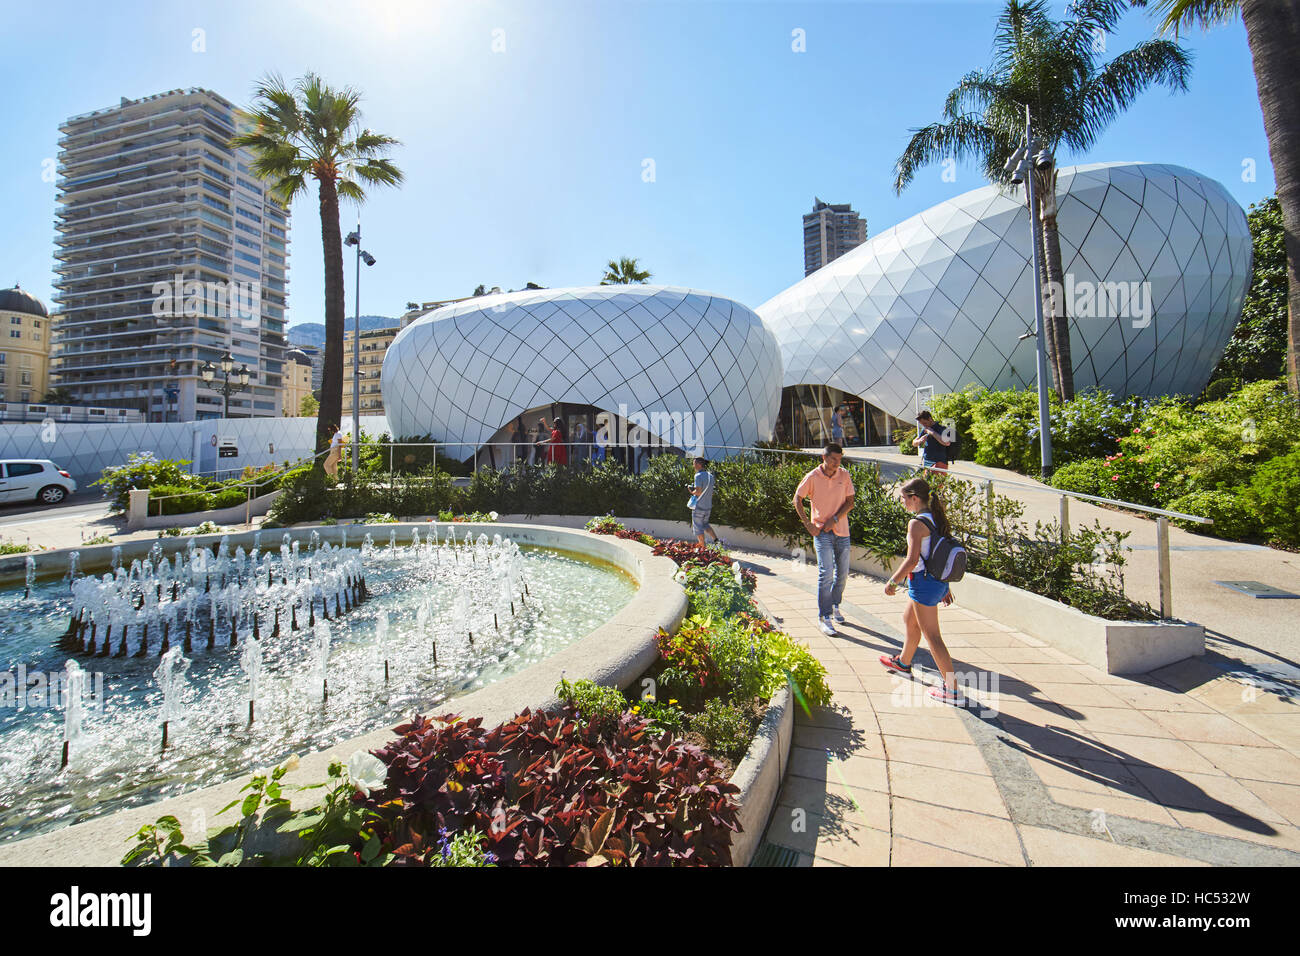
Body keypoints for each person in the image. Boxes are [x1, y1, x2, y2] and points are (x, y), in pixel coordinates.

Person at [879, 476, 961, 704]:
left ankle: (952, 690)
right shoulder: (936, 518)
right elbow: (940, 553)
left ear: (914, 498)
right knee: (910, 620)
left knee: (933, 636)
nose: (903, 502)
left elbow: (912, 559)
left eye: (904, 498)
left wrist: (893, 581)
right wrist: (944, 585)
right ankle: (903, 664)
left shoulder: (916, 524)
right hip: (935, 582)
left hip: (923, 583)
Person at [793, 442, 855, 636]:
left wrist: (835, 518)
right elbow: (797, 499)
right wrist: (807, 524)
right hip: (821, 533)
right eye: (833, 459)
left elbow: (850, 502)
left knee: (842, 575)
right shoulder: (812, 476)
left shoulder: (844, 475)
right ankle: (824, 617)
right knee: (826, 573)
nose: (837, 463)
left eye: (839, 459)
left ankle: (835, 605)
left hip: (842, 531)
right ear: (824, 458)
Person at [687, 457, 721, 546]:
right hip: (708, 506)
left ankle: (702, 549)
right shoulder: (710, 476)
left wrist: (691, 491)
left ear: (698, 464)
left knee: (698, 528)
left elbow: (698, 492)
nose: (693, 466)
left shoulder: (698, 476)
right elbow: (711, 492)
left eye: (694, 464)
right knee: (705, 525)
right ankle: (716, 541)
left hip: (699, 507)